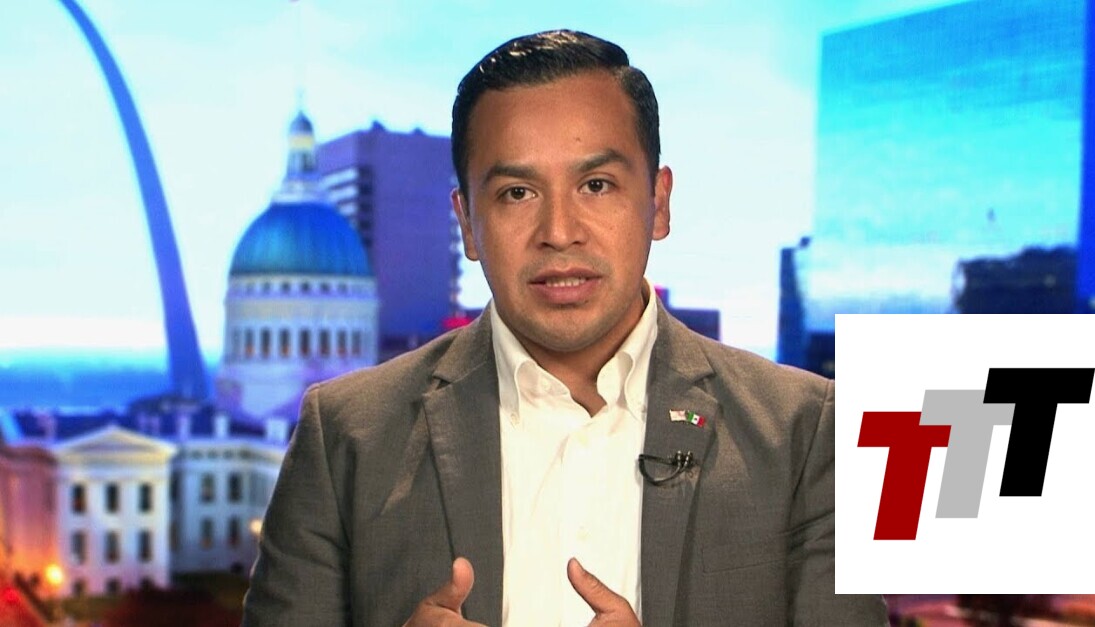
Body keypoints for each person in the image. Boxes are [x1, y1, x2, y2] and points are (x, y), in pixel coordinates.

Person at [242, 30, 886, 626]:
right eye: (517, 193)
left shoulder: (807, 432)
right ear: (467, 224)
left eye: (597, 185)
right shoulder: (344, 438)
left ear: (658, 202)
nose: (559, 231)